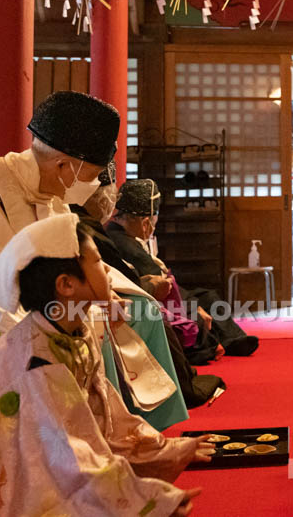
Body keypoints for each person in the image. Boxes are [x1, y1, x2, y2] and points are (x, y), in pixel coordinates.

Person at [0, 214, 210, 515]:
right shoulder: (37, 361)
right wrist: (151, 502)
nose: (108, 272)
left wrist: (165, 450)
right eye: (100, 262)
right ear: (66, 285)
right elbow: (70, 460)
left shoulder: (75, 329)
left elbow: (106, 416)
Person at [0, 91, 119, 397]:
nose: (94, 186)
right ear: (63, 166)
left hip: (37, 324)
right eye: (93, 176)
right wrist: (52, 332)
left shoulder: (52, 198)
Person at [73, 166, 220, 411]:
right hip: (104, 303)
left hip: (119, 297)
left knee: (205, 299)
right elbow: (122, 277)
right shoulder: (92, 230)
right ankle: (185, 384)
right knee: (153, 312)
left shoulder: (105, 230)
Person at [107, 180, 259, 365]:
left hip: (160, 295)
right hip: (154, 300)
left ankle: (232, 340)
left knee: (208, 296)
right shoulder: (125, 243)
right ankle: (221, 343)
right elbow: (164, 286)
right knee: (198, 309)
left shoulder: (124, 236)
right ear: (146, 223)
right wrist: (192, 307)